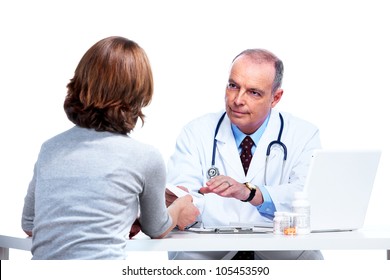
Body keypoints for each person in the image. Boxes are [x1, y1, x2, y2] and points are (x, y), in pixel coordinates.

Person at [21, 36, 199, 260]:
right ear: (139, 93)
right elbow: (156, 228)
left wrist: (118, 217)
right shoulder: (146, 157)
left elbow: (29, 223)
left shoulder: (50, 148)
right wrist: (179, 210)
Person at [165, 48, 323, 260]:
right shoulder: (196, 133)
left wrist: (250, 193)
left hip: (283, 259)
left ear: (275, 97)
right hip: (208, 259)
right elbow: (182, 202)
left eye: (254, 92)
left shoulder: (303, 135)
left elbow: (308, 200)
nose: (238, 100)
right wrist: (180, 201)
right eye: (233, 86)